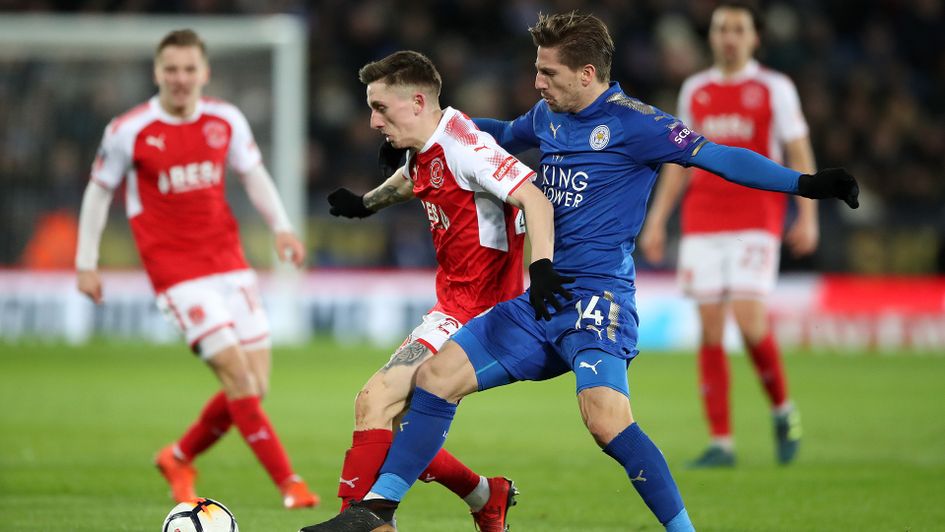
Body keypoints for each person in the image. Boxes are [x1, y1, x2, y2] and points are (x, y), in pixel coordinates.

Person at [300, 11, 858, 532]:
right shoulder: (548, 116)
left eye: (548, 72)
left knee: (605, 420)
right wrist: (429, 136)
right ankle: (378, 508)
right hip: (539, 297)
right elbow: (494, 133)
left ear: (586, 74)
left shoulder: (638, 125)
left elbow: (721, 156)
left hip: (598, 297)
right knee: (434, 378)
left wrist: (805, 185)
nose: (537, 82)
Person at [321, 50, 564, 532]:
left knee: (376, 399)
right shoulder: (430, 143)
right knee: (395, 420)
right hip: (453, 303)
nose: (372, 122)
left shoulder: (465, 145)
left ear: (416, 102)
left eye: (381, 108)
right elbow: (417, 178)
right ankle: (485, 495)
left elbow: (532, 196)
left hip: (478, 311)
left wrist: (542, 266)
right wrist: (367, 204)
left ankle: (361, 521)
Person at [75, 29, 318, 509]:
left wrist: (283, 228)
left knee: (254, 387)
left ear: (204, 73)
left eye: (189, 70)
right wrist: (86, 262)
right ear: (157, 72)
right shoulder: (129, 129)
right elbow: (99, 190)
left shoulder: (225, 119)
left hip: (230, 264)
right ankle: (290, 483)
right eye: (171, 70)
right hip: (176, 274)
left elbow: (253, 174)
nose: (181, 79)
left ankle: (177, 456)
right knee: (241, 382)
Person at [639, 2, 814, 468]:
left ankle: (782, 408)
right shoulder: (695, 90)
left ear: (754, 38)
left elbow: (797, 148)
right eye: (721, 29)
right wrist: (658, 220)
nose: (729, 37)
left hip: (757, 218)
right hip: (703, 220)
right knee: (711, 329)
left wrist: (809, 214)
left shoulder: (774, 88)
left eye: (738, 29)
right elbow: (678, 161)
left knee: (750, 321)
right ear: (712, 36)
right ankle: (722, 442)